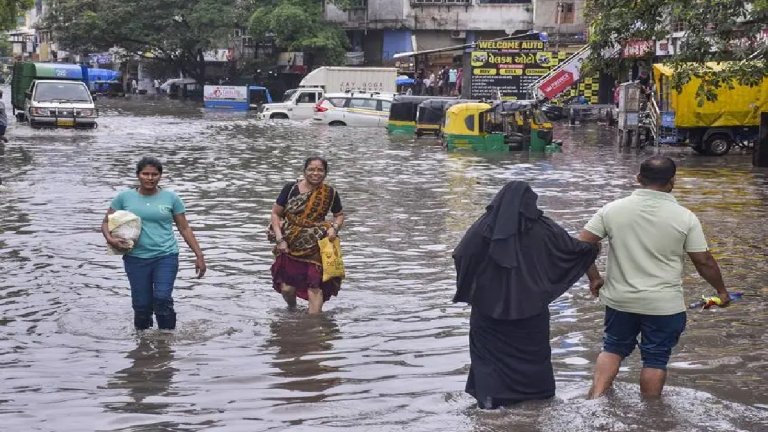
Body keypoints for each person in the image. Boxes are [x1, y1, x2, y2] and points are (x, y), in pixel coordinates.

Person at [578, 156, 730, 399]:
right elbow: (703, 261)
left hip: (620, 300)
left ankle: (594, 400)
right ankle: (651, 416)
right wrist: (721, 292)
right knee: (656, 359)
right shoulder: (685, 217)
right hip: (664, 305)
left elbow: (581, 246)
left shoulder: (612, 210)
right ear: (672, 182)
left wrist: (594, 278)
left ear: (638, 179)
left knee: (612, 349)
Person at [453, 181, 599, 409]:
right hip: (531, 308)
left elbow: (461, 255)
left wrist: (474, 288)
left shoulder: (483, 229)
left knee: (489, 358)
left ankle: (490, 402)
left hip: (487, 309)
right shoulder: (545, 228)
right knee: (533, 357)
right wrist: (593, 251)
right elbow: (572, 251)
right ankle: (537, 400)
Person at [101, 157, 206, 330]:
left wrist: (199, 255)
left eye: (154, 174)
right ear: (138, 175)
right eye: (145, 174)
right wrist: (110, 239)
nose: (150, 178)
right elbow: (105, 223)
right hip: (135, 257)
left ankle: (166, 340)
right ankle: (142, 345)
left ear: (160, 176)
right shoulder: (124, 197)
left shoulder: (171, 197)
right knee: (141, 305)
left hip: (166, 256)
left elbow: (184, 227)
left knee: (162, 299)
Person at [270, 156, 344, 314]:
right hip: (290, 243)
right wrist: (279, 239)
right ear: (304, 171)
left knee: (314, 285)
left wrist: (335, 228)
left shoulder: (330, 193)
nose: (315, 173)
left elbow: (339, 215)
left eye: (320, 170)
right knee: (287, 288)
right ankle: (292, 309)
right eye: (311, 169)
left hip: (316, 244)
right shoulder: (290, 189)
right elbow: (276, 213)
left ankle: (314, 327)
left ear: (325, 173)